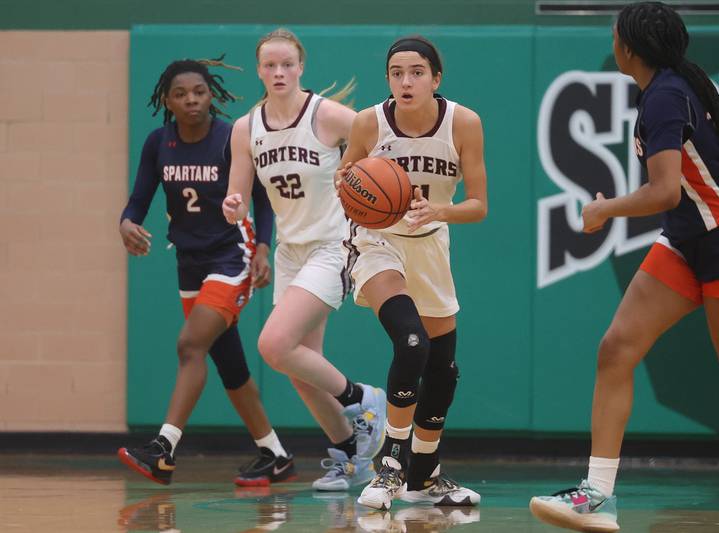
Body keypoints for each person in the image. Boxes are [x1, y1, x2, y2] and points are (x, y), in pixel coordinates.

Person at [530, 3, 719, 532]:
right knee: (616, 349)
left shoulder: (667, 95)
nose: (612, 42)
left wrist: (603, 208)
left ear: (628, 47)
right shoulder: (680, 85)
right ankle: (597, 496)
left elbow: (665, 190)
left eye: (615, 35)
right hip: (686, 241)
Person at [222, 28, 387, 491]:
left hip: (334, 245)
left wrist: (370, 190)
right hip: (293, 250)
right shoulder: (246, 128)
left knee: (274, 345)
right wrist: (233, 204)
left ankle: (364, 400)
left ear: (301, 67)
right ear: (259, 70)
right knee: (300, 366)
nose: (278, 72)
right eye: (269, 65)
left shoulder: (327, 115)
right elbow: (238, 189)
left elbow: (382, 148)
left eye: (287, 64)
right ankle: (354, 457)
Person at [118, 56, 295, 487]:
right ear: (167, 100)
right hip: (189, 262)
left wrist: (265, 250)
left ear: (211, 94)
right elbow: (139, 200)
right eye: (180, 94)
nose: (191, 100)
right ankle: (274, 454)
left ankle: (163, 448)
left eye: (199, 91)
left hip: (231, 256)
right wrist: (126, 223)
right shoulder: (158, 143)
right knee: (228, 363)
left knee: (189, 345)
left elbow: (262, 198)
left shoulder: (231, 137)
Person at [333, 35, 488, 510]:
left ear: (436, 78)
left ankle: (424, 476)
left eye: (417, 72)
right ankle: (390, 467)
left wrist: (438, 211)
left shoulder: (463, 123)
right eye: (397, 72)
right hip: (378, 242)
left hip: (430, 243)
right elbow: (346, 180)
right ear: (389, 79)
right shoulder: (368, 123)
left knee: (443, 371)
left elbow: (478, 205)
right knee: (411, 340)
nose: (406, 81)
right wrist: (351, 185)